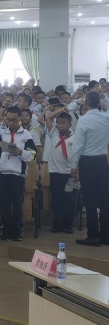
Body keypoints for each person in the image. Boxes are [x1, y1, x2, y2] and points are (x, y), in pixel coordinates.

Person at [0, 106, 37, 241]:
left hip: (18, 174)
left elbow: (33, 154)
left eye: (14, 120)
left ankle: (16, 230)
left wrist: (21, 152)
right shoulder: (1, 132)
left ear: (20, 119)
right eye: (8, 120)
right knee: (4, 203)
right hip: (3, 172)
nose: (11, 123)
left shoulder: (26, 134)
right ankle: (6, 229)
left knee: (17, 203)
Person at [69, 90, 109, 246]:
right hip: (103, 162)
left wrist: (73, 165)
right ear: (100, 103)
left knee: (90, 200)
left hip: (87, 163)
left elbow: (78, 146)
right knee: (105, 200)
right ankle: (106, 236)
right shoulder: (106, 117)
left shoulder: (84, 120)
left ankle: (93, 235)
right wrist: (104, 96)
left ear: (85, 104)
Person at [44, 107, 77, 234]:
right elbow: (48, 117)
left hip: (70, 174)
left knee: (70, 199)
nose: (61, 125)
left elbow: (78, 155)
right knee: (56, 198)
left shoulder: (75, 138)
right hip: (55, 173)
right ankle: (57, 223)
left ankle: (68, 224)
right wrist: (61, 110)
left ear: (70, 125)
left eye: (64, 123)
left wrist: (76, 170)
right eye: (58, 123)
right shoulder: (53, 133)